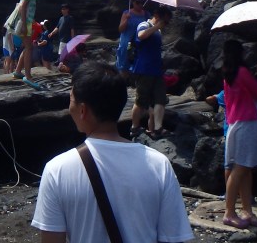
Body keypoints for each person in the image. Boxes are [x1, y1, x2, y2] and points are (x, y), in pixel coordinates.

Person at [31, 62, 194, 243]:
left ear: (83, 110)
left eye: (71, 100)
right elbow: (173, 238)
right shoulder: (158, 164)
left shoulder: (57, 170)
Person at [221, 39, 257, 230]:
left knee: (245, 168)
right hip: (247, 122)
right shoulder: (242, 72)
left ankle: (247, 210)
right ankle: (229, 213)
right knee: (241, 168)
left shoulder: (228, 74)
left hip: (235, 122)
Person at [130, 5, 171, 139]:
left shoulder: (158, 31)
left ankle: (158, 128)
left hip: (157, 70)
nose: (166, 24)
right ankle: (135, 127)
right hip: (144, 69)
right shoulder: (144, 24)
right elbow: (141, 35)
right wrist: (156, 26)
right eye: (165, 21)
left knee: (160, 98)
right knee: (141, 101)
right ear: (157, 16)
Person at [7, 0, 48, 88]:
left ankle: (18, 71)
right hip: (25, 23)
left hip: (27, 22)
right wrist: (24, 25)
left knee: (27, 47)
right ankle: (28, 76)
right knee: (29, 48)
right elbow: (23, 7)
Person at [115, 0, 148, 73]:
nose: (140, 5)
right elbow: (120, 29)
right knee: (125, 63)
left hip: (139, 43)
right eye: (138, 2)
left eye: (142, 2)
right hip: (127, 42)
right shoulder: (127, 13)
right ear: (133, 2)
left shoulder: (146, 14)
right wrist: (126, 19)